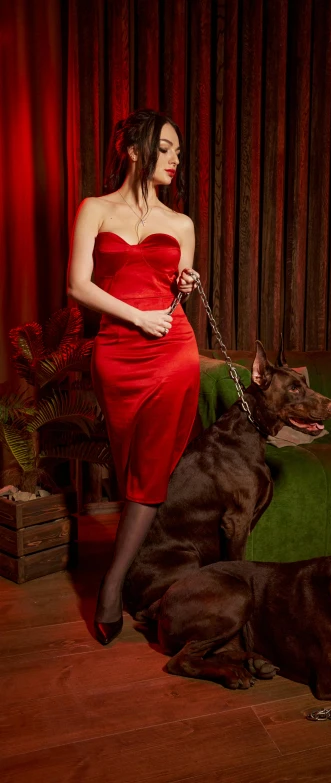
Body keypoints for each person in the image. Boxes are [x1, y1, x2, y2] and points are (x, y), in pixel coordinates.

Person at [67, 108, 201, 645]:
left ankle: (113, 586)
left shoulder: (181, 224)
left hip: (173, 351)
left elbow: (173, 292)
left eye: (176, 152)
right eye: (166, 148)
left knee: (147, 471)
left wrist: (184, 284)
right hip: (118, 352)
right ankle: (141, 566)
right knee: (129, 465)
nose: (174, 160)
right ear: (135, 149)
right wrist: (136, 315)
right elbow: (78, 286)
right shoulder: (94, 209)